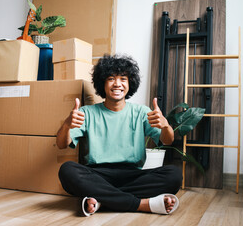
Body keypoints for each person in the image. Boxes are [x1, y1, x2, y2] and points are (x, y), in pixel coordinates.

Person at [56, 54, 182, 216]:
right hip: (98, 174)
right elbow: (61, 144)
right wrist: (67, 124)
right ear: (103, 83)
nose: (117, 84)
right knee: (67, 170)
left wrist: (165, 125)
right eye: (111, 78)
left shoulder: (141, 112)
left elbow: (168, 140)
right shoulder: (86, 113)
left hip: (132, 175)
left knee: (174, 175)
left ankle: (102, 198)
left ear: (130, 83)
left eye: (123, 78)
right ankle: (141, 204)